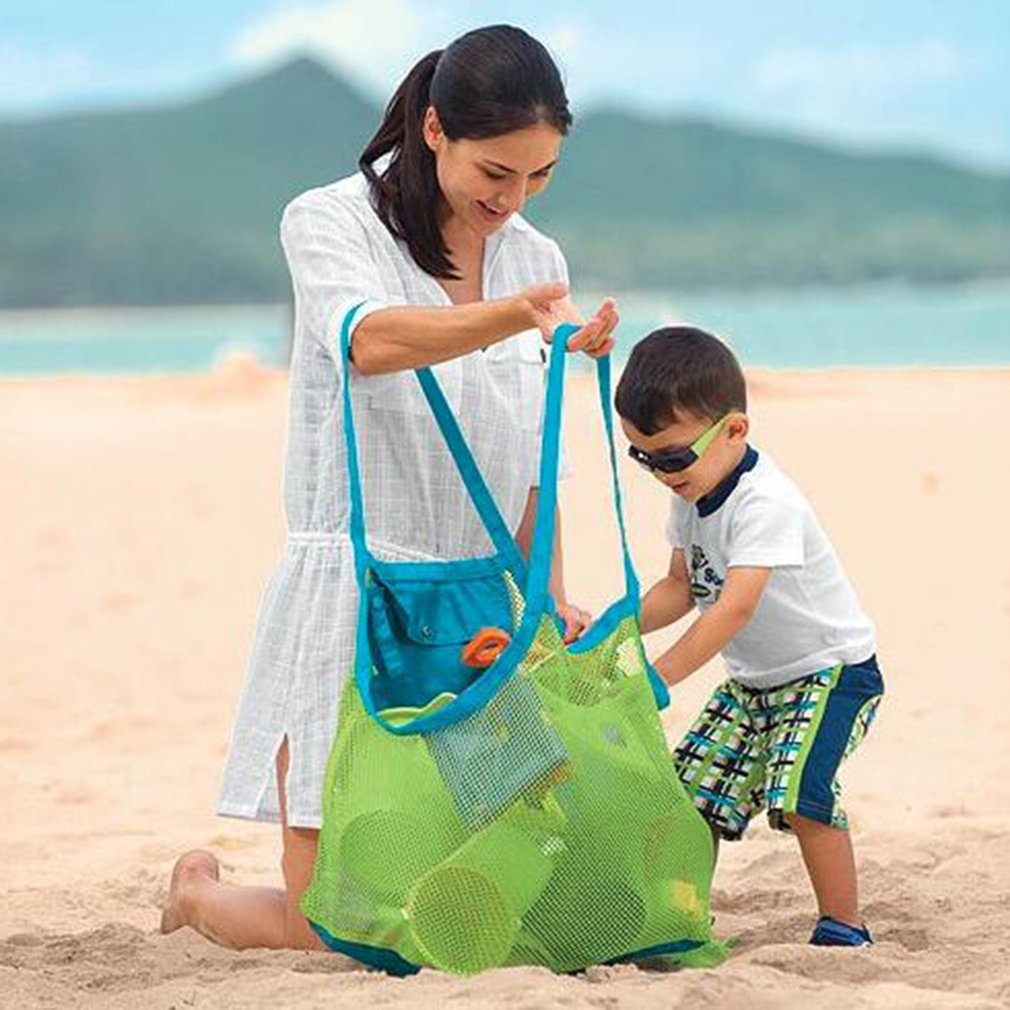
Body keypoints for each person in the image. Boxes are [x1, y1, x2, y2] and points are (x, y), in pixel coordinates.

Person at [161, 24, 618, 950]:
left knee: (509, 897)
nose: (514, 198)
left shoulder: (537, 260)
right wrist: (510, 320)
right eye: (497, 172)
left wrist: (551, 594)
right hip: (355, 592)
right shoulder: (328, 221)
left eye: (539, 177)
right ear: (437, 128)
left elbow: (539, 457)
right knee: (337, 922)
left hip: (485, 611)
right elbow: (367, 342)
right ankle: (199, 894)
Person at [615, 326, 884, 947]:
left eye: (673, 456)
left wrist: (658, 677)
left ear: (735, 430)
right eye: (643, 457)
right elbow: (680, 588)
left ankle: (845, 925)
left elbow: (731, 609)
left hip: (832, 675)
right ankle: (683, 918)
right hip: (755, 683)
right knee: (691, 797)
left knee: (801, 796)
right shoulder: (692, 492)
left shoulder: (766, 503)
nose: (660, 472)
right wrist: (614, 627)